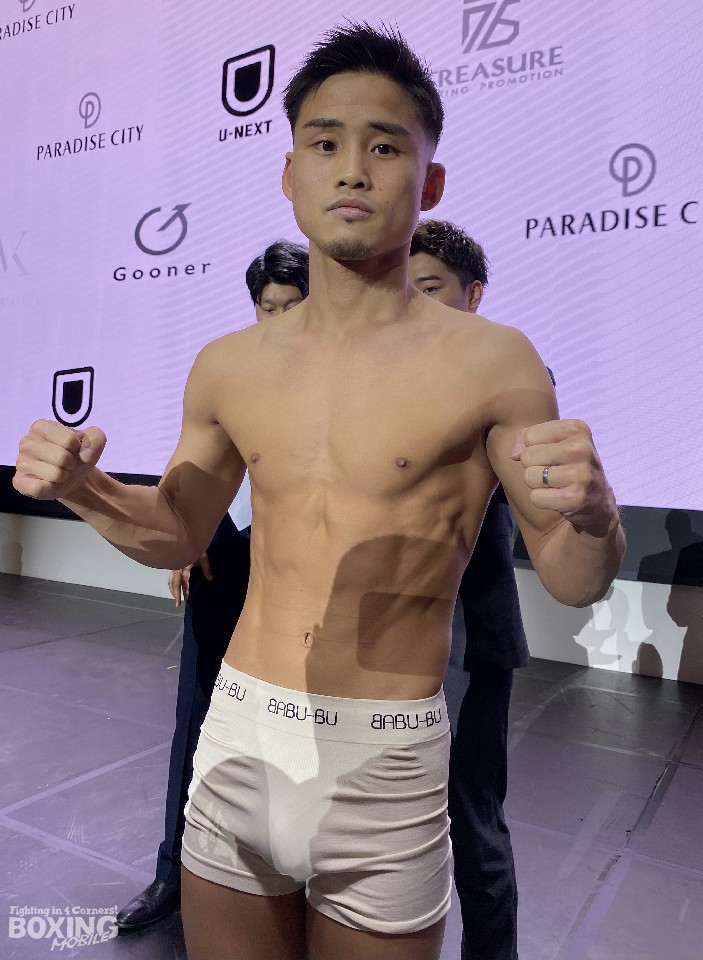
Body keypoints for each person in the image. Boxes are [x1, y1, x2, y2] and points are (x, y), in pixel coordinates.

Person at [14, 24, 625, 960]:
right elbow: (179, 532)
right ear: (289, 172)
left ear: (429, 183)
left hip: (385, 757)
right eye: (325, 142)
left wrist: (596, 515)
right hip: (241, 735)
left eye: (385, 147)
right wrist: (86, 489)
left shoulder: (494, 363)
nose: (352, 170)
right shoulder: (230, 365)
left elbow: (574, 579)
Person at [115, 240, 310, 931]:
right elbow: (193, 474)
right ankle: (172, 872)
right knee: (195, 719)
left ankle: (284, 884)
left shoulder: (342, 379)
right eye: (267, 307)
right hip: (226, 556)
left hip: (303, 574)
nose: (278, 319)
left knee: (292, 733)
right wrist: (186, 537)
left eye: (292, 306)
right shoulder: (231, 373)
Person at [410, 219, 547, 960]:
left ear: (474, 295)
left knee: (472, 824)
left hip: (471, 640)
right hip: (385, 644)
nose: (415, 303)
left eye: (430, 288)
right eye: (406, 289)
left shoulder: (511, 378)